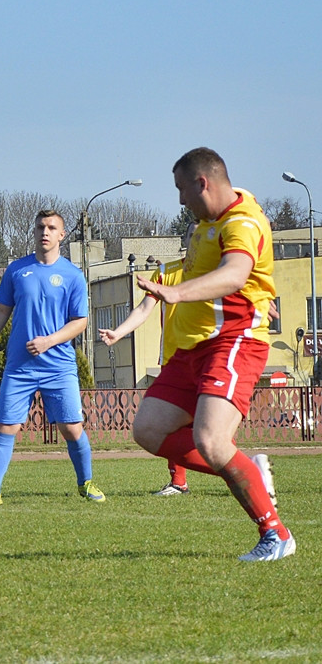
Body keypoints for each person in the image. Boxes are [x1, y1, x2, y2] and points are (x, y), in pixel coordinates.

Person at [133, 148, 293, 561]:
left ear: (202, 182)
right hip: (192, 346)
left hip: (233, 341)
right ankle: (246, 469)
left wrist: (176, 292)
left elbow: (237, 272)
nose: (180, 200)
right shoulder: (211, 217)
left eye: (182, 190)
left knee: (210, 439)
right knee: (148, 431)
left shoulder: (242, 222)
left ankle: (275, 534)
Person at [0, 209, 106, 507]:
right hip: (19, 367)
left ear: (61, 234)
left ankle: (87, 483)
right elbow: (2, 310)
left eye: (51, 227)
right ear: (34, 232)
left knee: (71, 428)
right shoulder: (17, 270)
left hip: (58, 366)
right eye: (40, 227)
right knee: (7, 427)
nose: (45, 232)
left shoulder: (72, 275)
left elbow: (80, 321)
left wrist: (50, 341)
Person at [100, 225, 193, 496]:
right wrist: (118, 332)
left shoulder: (221, 273)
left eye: (204, 234)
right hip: (174, 360)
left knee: (217, 424)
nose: (198, 239)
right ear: (185, 240)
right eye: (193, 235)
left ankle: (239, 476)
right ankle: (178, 481)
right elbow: (143, 309)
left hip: (212, 360)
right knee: (167, 423)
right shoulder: (165, 272)